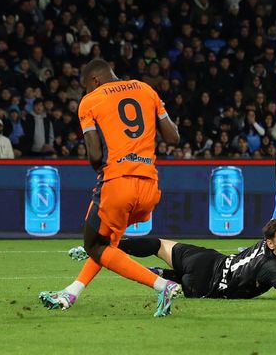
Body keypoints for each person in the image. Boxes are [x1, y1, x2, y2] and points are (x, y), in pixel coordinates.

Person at [39, 58, 183, 317]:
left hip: (117, 183)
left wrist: (104, 171)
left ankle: (162, 285)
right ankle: (71, 293)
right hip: (149, 186)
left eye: (85, 86)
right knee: (107, 244)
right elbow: (173, 137)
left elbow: (95, 155)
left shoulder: (91, 100)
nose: (85, 91)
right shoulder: (146, 89)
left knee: (94, 245)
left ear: (94, 80)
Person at [66, 219, 276, 301]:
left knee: (158, 244)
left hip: (205, 259)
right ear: (271, 243)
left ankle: (105, 247)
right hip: (204, 285)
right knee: (167, 277)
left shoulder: (270, 248)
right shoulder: (270, 267)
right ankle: (151, 271)